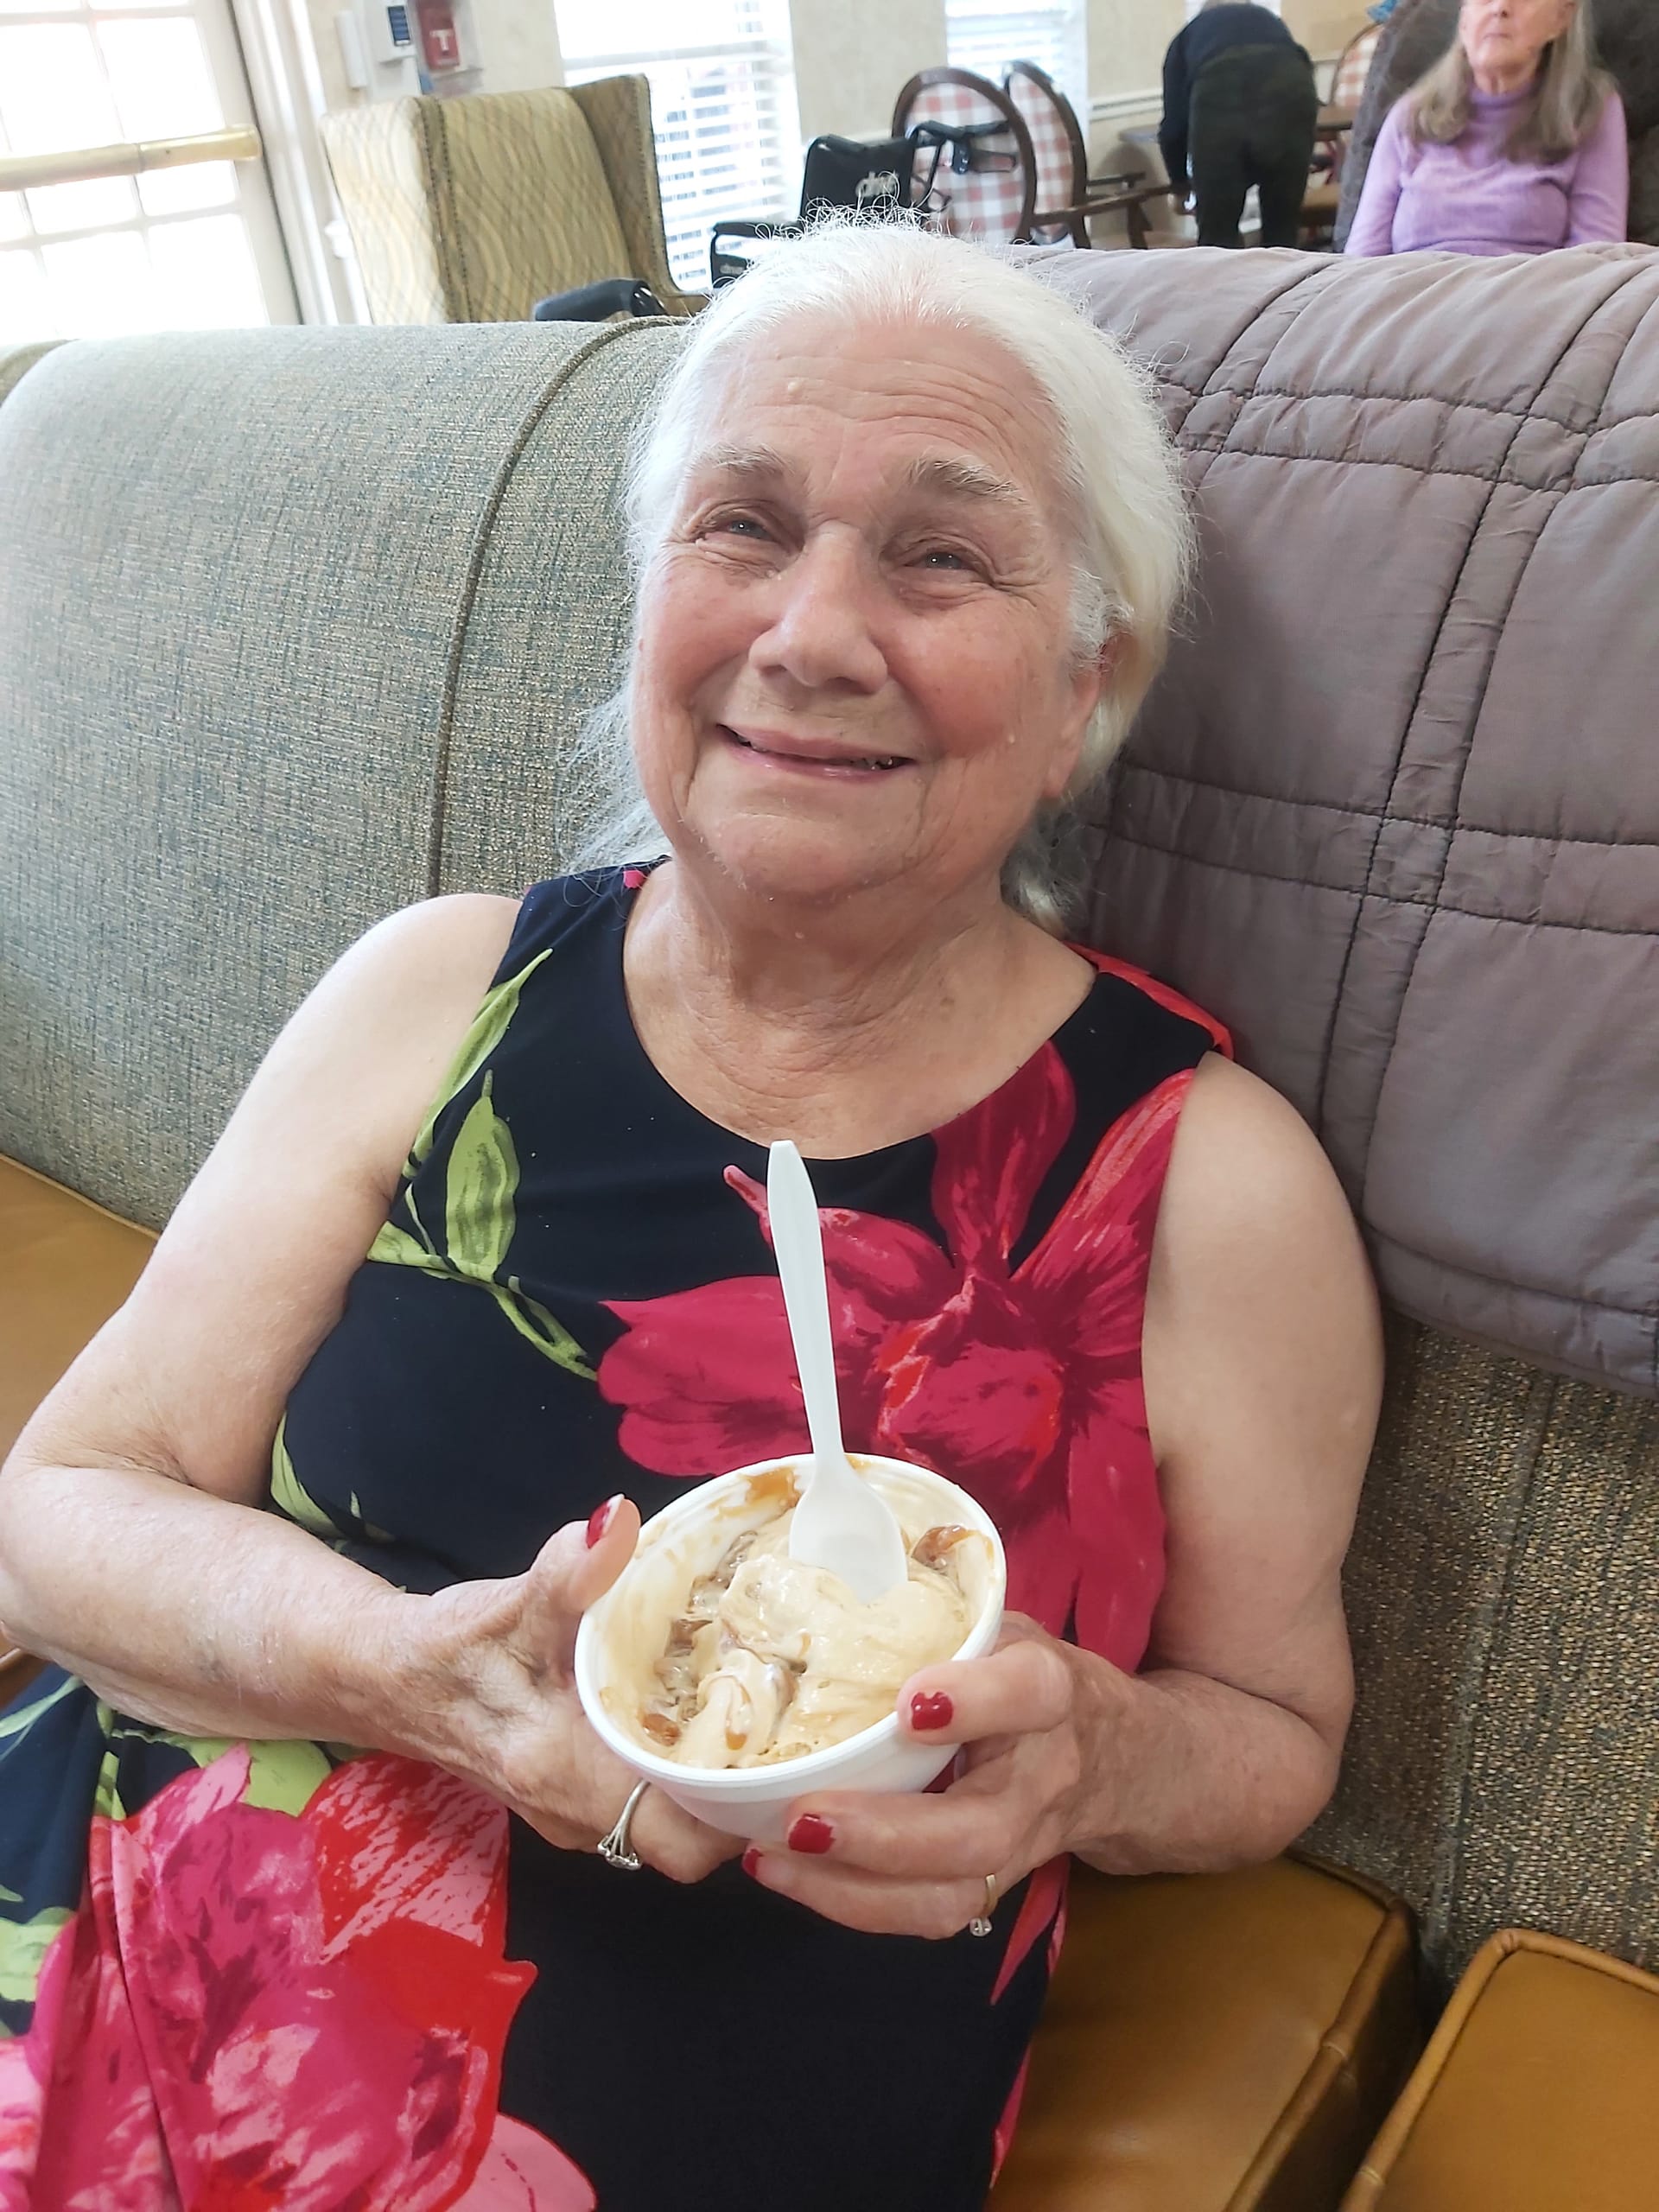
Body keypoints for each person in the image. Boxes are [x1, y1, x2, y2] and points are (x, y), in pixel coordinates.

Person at [0, 219, 1381, 2212]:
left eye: (939, 553)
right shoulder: (440, 990)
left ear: (1091, 681)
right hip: (106, 1944)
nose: (811, 632)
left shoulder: (1202, 1183)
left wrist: (1098, 1750)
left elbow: (1274, 1727)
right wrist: (411, 1667)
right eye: (743, 524)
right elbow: (64, 1504)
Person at [1345, 0, 1627, 255]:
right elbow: (1362, 258)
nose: (1499, 7)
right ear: (1464, 19)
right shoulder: (1411, 116)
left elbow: (1596, 256)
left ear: (1562, 17)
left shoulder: (1591, 109)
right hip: (1412, 290)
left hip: (1530, 292)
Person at [1159, 0, 1321, 247]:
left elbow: (1173, 128)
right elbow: (1301, 64)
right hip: (1293, 87)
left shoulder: (1187, 38)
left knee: (1218, 235)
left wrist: (1180, 187)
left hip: (1220, 90)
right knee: (1283, 229)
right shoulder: (1268, 21)